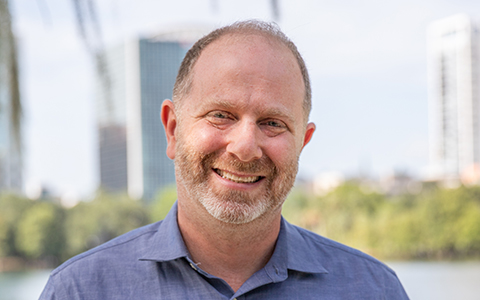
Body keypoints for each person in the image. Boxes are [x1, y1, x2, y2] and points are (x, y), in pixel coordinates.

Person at [39, 20, 409, 299]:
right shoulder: (82, 290)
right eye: (220, 115)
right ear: (172, 129)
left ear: (302, 143)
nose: (245, 147)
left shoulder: (374, 290)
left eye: (272, 123)